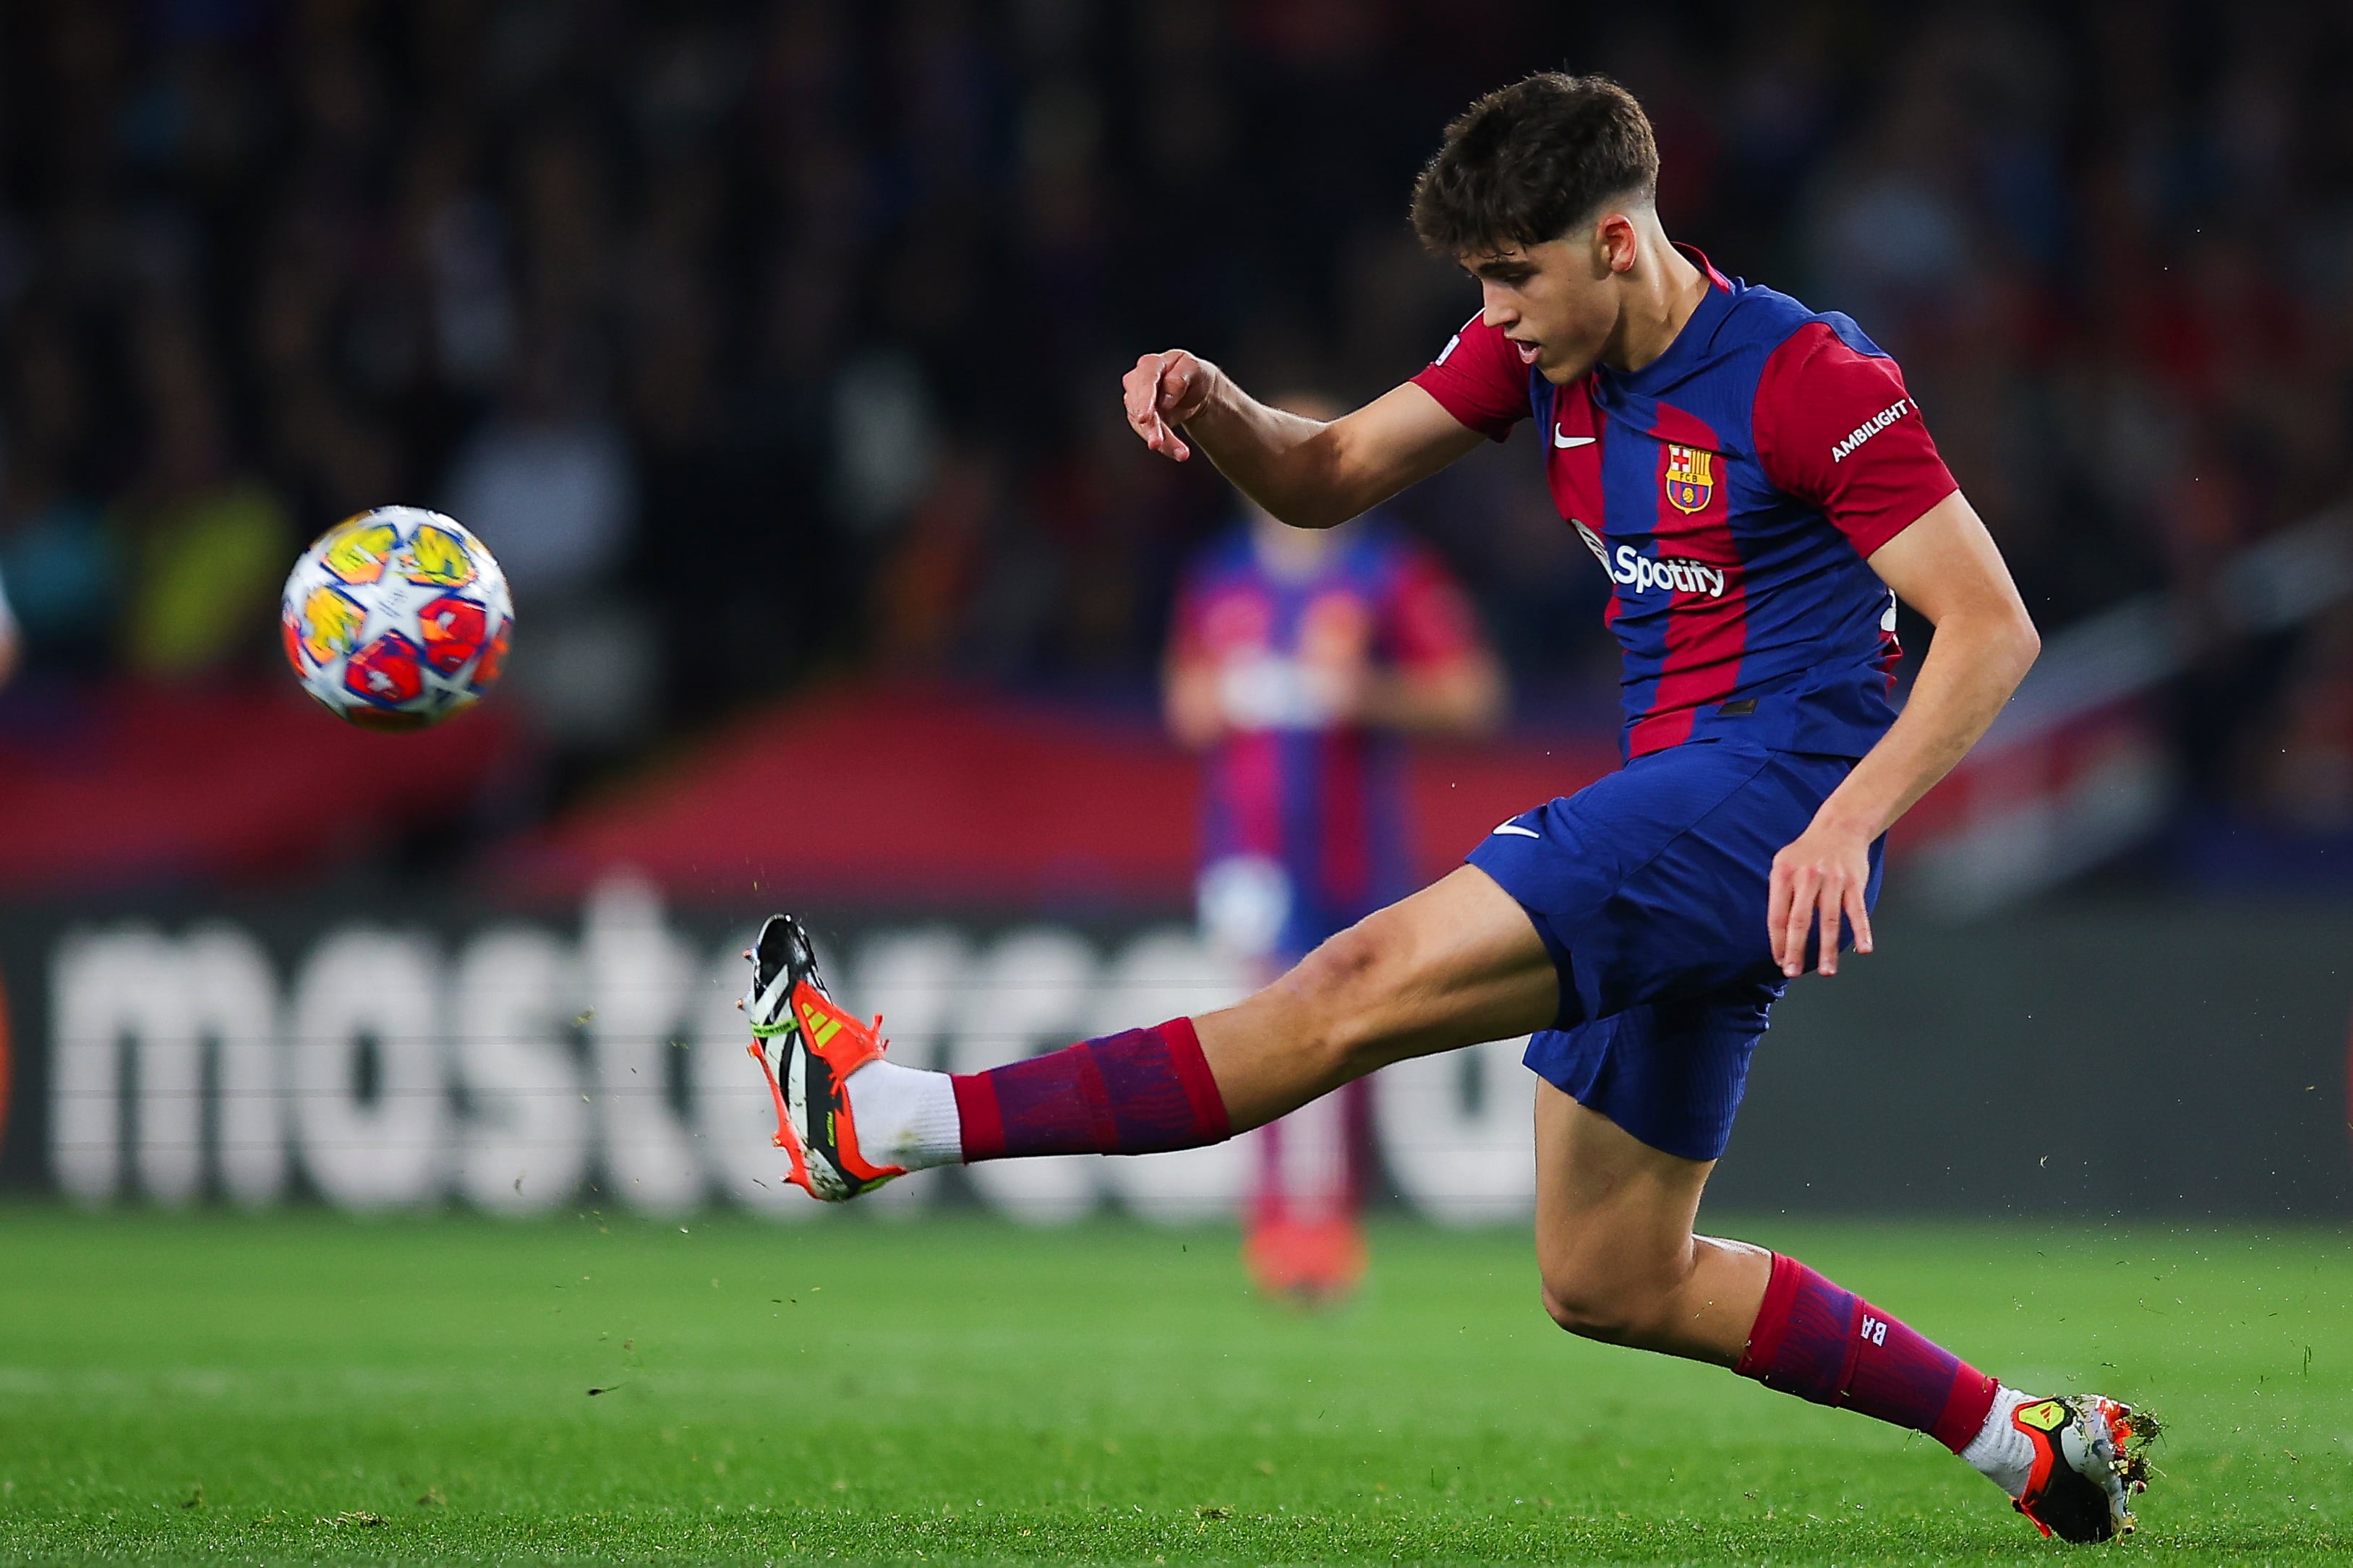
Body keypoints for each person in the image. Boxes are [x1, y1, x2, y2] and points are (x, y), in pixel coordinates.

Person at [739, 74, 2154, 1542]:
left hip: (1770, 789)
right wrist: (1220, 407)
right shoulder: (1533, 353)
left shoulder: (1808, 376)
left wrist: (1850, 817)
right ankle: (2020, 1439)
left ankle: (890, 1118)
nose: (1499, 312)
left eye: (1516, 275)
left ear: (1614, 241)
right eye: (1480, 281)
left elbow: (1989, 628)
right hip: (1690, 811)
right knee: (1608, 1277)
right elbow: (1326, 472)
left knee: (1344, 983)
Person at [1163, 400, 1503, 1301]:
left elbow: (1469, 697)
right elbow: (1184, 703)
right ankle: (1278, 1227)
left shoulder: (1386, 575)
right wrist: (1232, 697)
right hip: (1247, 850)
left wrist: (1358, 696)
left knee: (1347, 1032)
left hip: (1354, 851)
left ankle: (1327, 1224)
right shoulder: (1219, 578)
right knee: (1261, 1021)